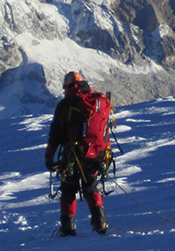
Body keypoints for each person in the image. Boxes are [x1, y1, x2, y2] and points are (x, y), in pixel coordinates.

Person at [44, 71, 109, 236]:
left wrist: (49, 156)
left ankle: (68, 227)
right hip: (97, 153)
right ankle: (100, 223)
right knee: (91, 186)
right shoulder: (98, 101)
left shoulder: (66, 105)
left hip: (73, 155)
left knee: (68, 189)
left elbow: (56, 134)